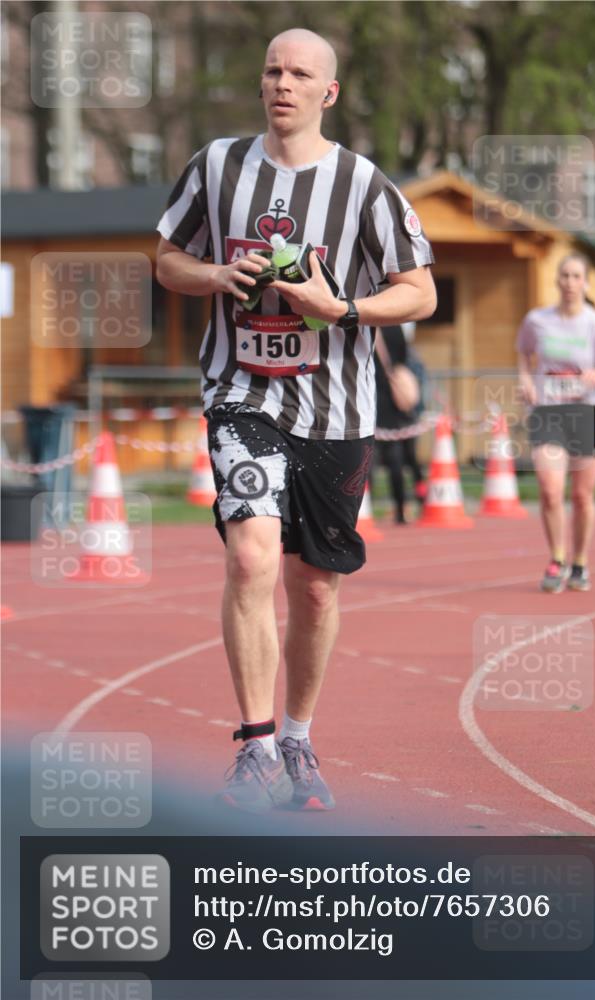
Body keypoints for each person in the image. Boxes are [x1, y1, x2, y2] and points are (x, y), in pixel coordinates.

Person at [156, 28, 436, 811]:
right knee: (250, 557)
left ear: (328, 92)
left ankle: (298, 738)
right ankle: (253, 742)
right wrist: (215, 272)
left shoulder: (363, 185)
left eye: (299, 73)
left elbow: (419, 291)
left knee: (314, 588)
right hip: (241, 394)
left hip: (336, 407)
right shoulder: (216, 165)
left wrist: (338, 306)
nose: (282, 83)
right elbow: (166, 260)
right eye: (272, 70)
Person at [516, 253, 595, 593]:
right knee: (550, 491)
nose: (569, 282)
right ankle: (557, 558)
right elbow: (523, 351)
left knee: (581, 496)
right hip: (549, 412)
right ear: (557, 280)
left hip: (584, 412)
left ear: (586, 283)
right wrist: (526, 380)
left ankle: (580, 562)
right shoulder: (538, 321)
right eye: (564, 275)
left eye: (576, 276)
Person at [374, 324, 425, 523]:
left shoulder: (367, 324)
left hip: (379, 397)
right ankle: (415, 501)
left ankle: (394, 508)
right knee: (409, 456)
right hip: (400, 397)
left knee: (386, 455)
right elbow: (404, 357)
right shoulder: (394, 325)